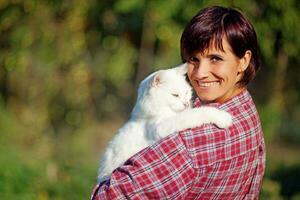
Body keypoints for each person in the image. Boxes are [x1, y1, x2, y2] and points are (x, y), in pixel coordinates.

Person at [91, 6, 265, 200]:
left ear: (243, 60)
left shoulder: (187, 145)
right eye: (193, 59)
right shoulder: (245, 109)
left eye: (215, 58)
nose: (199, 73)